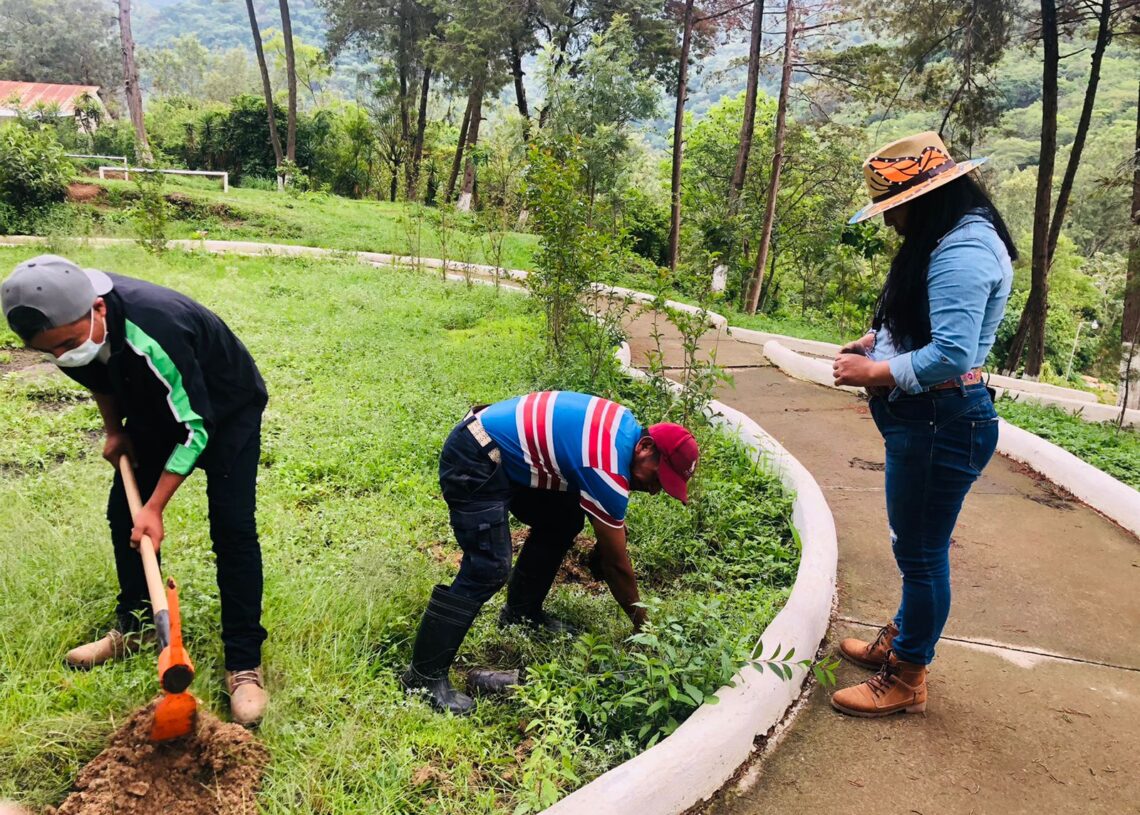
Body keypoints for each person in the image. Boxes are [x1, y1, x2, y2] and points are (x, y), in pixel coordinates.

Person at [1, 255, 270, 726]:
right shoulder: (67, 334)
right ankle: (139, 626)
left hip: (226, 408)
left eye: (67, 344)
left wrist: (156, 507)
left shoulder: (156, 328)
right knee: (124, 515)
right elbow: (97, 374)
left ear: (99, 309)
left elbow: (196, 428)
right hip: (152, 403)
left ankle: (244, 662)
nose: (62, 355)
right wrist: (114, 430)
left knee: (233, 528)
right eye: (50, 351)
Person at [829, 132, 1017, 717]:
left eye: (895, 207)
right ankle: (904, 639)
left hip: (941, 421)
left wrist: (874, 371)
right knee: (914, 546)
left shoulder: (964, 251)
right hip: (931, 418)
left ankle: (908, 675)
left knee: (921, 553)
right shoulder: (948, 237)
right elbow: (931, 327)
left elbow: (952, 354)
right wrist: (877, 342)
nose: (890, 221)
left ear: (927, 199)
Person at [402, 391, 699, 714]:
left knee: (563, 518)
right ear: (646, 447)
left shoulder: (624, 428)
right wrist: (644, 627)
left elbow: (605, 518)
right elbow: (616, 565)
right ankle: (422, 678)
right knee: (488, 566)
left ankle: (521, 613)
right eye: (658, 478)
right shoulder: (606, 467)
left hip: (501, 452)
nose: (654, 490)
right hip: (475, 456)